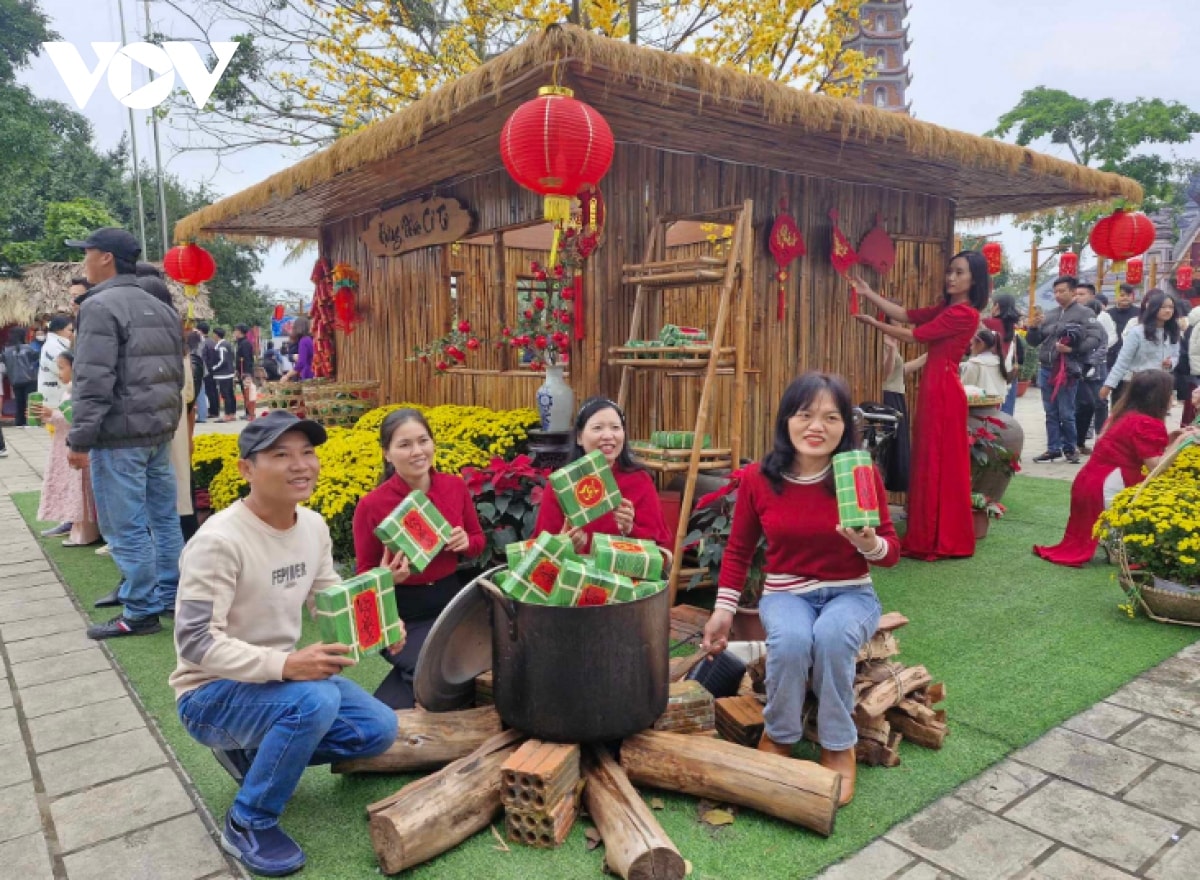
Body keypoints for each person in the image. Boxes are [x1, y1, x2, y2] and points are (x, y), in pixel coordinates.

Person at [172, 411, 398, 877]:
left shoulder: (312, 526)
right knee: (315, 698)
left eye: (307, 453)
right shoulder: (217, 540)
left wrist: (375, 611)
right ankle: (249, 820)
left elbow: (327, 597)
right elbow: (195, 642)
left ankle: (257, 753)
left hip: (276, 688)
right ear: (246, 470)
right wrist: (287, 664)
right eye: (281, 455)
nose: (301, 465)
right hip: (209, 694)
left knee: (378, 730)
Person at [701, 373, 899, 805]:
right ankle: (781, 735)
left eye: (831, 417)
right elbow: (737, 551)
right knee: (790, 641)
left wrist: (868, 542)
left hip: (851, 593)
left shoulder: (858, 476)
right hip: (787, 593)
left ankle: (837, 744)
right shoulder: (758, 479)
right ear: (786, 420)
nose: (817, 426)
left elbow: (891, 552)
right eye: (805, 414)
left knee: (831, 638)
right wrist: (724, 610)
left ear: (846, 426)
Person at [66, 227, 185, 640]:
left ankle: (139, 610)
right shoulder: (161, 306)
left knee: (124, 526)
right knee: (164, 518)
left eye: (87, 252)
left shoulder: (99, 307)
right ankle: (170, 594)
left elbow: (92, 380)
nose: (84, 260)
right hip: (157, 434)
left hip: (120, 436)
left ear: (105, 258)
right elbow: (176, 375)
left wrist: (80, 438)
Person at [849, 251, 988, 561]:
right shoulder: (948, 308)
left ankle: (937, 536)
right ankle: (931, 531)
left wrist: (874, 323)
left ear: (974, 279)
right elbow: (907, 314)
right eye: (950, 271)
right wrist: (868, 293)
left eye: (959, 272)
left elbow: (914, 336)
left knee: (937, 459)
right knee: (930, 457)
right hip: (936, 386)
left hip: (944, 390)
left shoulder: (964, 314)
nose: (951, 277)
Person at [351, 408, 486, 708]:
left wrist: (466, 542)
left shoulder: (454, 486)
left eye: (423, 441)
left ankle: (386, 712)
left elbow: (478, 542)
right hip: (401, 615)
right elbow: (363, 577)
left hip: (452, 603)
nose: (417, 452)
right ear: (387, 454)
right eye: (404, 445)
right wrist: (386, 576)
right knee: (435, 674)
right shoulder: (372, 506)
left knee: (479, 665)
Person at [1033, 371, 1190, 567]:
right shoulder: (1147, 422)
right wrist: (1181, 443)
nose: (1172, 397)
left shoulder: (1121, 414)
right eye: (1170, 393)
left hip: (1089, 482)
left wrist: (1170, 440)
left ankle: (1113, 541)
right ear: (1158, 396)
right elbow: (1156, 468)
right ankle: (1117, 542)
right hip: (1107, 488)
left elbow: (1133, 448)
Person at [533, 397, 673, 553]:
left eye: (615, 427)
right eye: (598, 428)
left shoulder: (640, 481)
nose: (608, 435)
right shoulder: (561, 485)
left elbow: (662, 552)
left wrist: (630, 529)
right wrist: (564, 546)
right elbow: (540, 553)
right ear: (579, 437)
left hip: (626, 576)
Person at [1025, 275, 1105, 464]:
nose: (1058, 295)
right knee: (1050, 411)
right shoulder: (1050, 314)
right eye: (1055, 292)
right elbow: (1033, 342)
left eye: (1062, 291)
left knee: (1066, 412)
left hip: (1068, 370)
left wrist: (1072, 349)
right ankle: (1053, 448)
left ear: (1073, 292)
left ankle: (1070, 448)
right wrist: (1034, 328)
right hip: (1046, 368)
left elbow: (1096, 338)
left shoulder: (1085, 314)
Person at [34, 350, 100, 548]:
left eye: (62, 368)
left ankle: (83, 533)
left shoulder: (79, 390)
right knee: (72, 487)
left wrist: (51, 414)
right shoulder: (69, 390)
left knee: (79, 488)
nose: (58, 373)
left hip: (75, 445)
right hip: (64, 444)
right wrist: (47, 414)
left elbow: (75, 419)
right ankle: (73, 525)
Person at [1101, 289, 1180, 406]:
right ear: (1153, 308)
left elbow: (1175, 355)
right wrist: (1109, 385)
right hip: (1136, 384)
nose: (1168, 310)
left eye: (1171, 307)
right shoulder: (1138, 332)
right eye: (1163, 307)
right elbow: (1123, 361)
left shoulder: (1172, 332)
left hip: (1160, 384)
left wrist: (1171, 362)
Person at [879, 334, 923, 493]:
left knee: (897, 448)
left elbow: (900, 370)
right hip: (888, 396)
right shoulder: (883, 339)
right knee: (889, 448)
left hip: (897, 395)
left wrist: (927, 356)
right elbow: (885, 374)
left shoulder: (892, 339)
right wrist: (891, 349)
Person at [1075, 298, 1110, 455]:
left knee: (1101, 404)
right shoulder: (1076, 328)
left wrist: (1090, 362)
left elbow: (1104, 348)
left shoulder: (1100, 328)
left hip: (1097, 372)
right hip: (1079, 372)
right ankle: (1078, 441)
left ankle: (1101, 439)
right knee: (1083, 406)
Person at [984, 293, 1022, 415]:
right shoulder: (1012, 325)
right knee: (1006, 414)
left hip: (992, 371)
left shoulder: (988, 323)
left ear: (997, 306)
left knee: (989, 413)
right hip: (1009, 373)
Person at [2, 326, 39, 427]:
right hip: (30, 379)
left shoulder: (6, 351)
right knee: (30, 402)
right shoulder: (29, 348)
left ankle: (19, 422)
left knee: (19, 402)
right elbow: (36, 359)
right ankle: (31, 422)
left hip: (15, 380)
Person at [960, 327, 1010, 398]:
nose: (971, 348)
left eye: (972, 344)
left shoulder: (974, 364)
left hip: (976, 407)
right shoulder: (999, 362)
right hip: (996, 406)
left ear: (981, 344)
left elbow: (964, 390)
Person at [1106, 284, 1140, 371]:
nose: (1125, 298)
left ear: (1132, 297)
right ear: (1116, 297)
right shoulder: (1108, 314)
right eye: (1122, 295)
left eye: (1128, 295)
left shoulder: (1140, 313)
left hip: (1133, 354)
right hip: (1111, 354)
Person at [211, 327, 237, 422]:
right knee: (230, 394)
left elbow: (222, 360)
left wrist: (213, 368)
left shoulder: (221, 346)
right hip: (228, 373)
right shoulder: (228, 344)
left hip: (223, 374)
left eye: (213, 334)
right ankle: (232, 413)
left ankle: (228, 414)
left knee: (226, 395)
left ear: (216, 335)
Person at [197, 320, 220, 421]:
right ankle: (215, 410)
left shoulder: (203, 343)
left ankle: (212, 412)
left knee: (208, 391)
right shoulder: (212, 342)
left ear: (200, 331)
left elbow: (203, 358)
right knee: (214, 391)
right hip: (214, 369)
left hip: (207, 370)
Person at [234, 324, 257, 420]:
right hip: (241, 371)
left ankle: (250, 413)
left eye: (235, 330)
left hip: (246, 372)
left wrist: (246, 373)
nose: (234, 333)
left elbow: (247, 359)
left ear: (240, 332)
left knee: (248, 393)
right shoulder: (240, 342)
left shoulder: (245, 343)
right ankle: (247, 412)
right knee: (245, 393)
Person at [282, 317, 314, 381]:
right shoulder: (309, 339)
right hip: (312, 373)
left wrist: (287, 376)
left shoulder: (304, 341)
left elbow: (301, 363)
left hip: (308, 376)